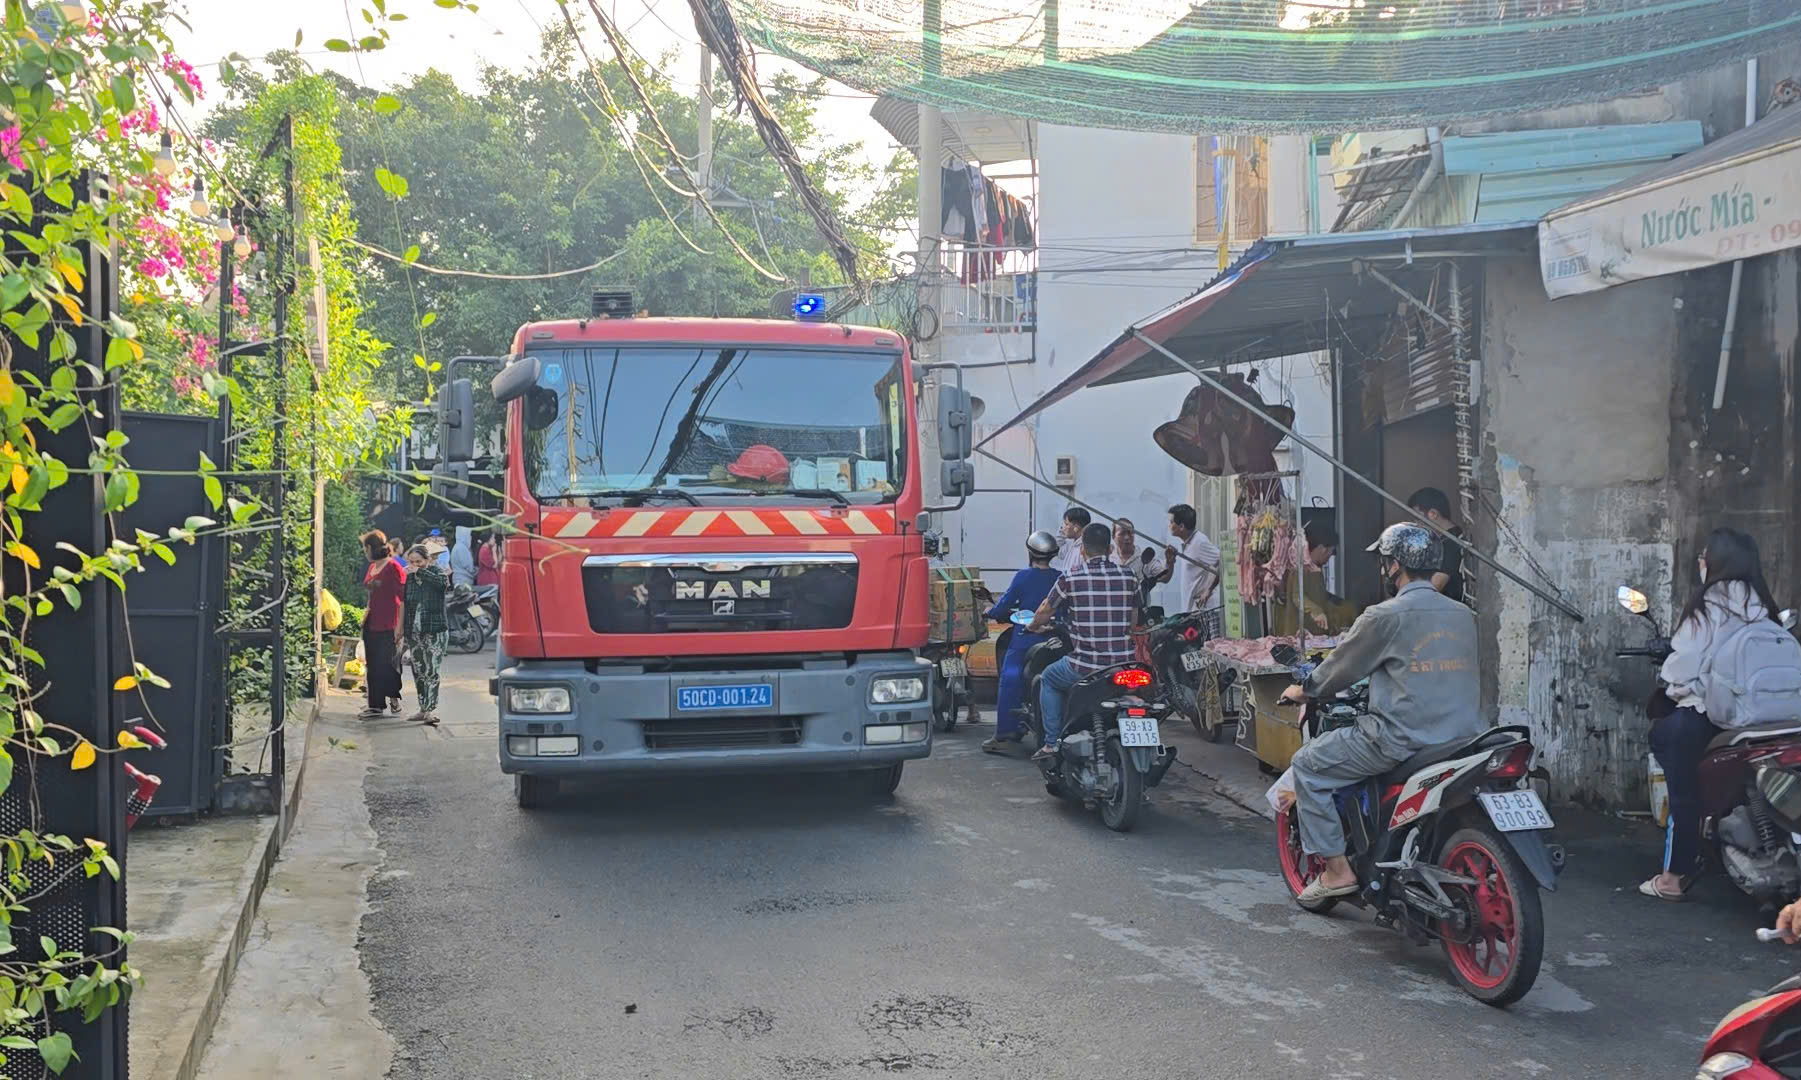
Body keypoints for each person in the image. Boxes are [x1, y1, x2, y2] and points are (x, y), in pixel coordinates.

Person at [1278, 522, 1483, 905]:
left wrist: (1303, 691)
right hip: (1466, 737)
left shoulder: (1384, 615)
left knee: (1307, 765)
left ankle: (1337, 871)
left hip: (1400, 738)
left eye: (1385, 562)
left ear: (1394, 566)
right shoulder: (1463, 615)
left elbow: (1340, 667)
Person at [1641, 527, 1786, 901]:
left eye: (1704, 556)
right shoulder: (1765, 607)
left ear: (1716, 563)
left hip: (1714, 716)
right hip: (1773, 719)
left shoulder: (1707, 607)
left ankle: (1673, 877)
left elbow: (1679, 671)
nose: (1700, 563)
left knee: (1681, 787)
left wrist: (1673, 686)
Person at [1028, 522, 1140, 761]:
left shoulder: (1070, 577)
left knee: (1048, 678)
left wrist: (1033, 626)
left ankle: (1051, 744)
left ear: (1082, 551)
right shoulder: (1129, 576)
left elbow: (1044, 612)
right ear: (1110, 549)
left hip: (1085, 667)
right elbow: (1133, 621)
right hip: (1125, 666)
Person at [981, 531, 1063, 754]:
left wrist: (990, 611)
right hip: (1058, 638)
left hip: (1027, 638)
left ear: (1030, 553)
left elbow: (1004, 605)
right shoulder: (1061, 576)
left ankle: (1004, 733)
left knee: (1010, 677)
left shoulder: (1023, 577)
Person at [358, 530, 406, 720]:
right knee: (373, 664)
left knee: (388, 664)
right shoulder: (372, 568)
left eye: (364, 547)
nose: (364, 551)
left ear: (370, 548)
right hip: (372, 620)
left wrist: (399, 627)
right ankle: (375, 705)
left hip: (389, 622)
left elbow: (402, 600)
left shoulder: (393, 567)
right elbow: (371, 594)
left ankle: (394, 694)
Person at [402, 544, 450, 725]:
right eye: (412, 562)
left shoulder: (437, 572)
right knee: (419, 670)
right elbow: (404, 603)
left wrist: (420, 572)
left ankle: (430, 709)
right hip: (414, 632)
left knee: (432, 670)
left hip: (435, 629)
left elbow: (443, 585)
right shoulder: (409, 578)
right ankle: (423, 708)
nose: (415, 565)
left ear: (428, 560)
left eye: (419, 562)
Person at [1161, 503, 1223, 639]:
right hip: (1193, 612)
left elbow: (1221, 561)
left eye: (1171, 522)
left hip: (1206, 611)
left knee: (1209, 650)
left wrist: (1209, 589)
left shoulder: (1199, 542)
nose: (1169, 525)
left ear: (1181, 526)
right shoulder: (1187, 543)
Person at [1271, 520, 1341, 637]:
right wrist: (1316, 611)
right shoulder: (1300, 566)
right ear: (1322, 548)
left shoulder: (1316, 568)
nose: (1329, 557)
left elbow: (1318, 595)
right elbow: (1297, 596)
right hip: (1300, 635)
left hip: (1317, 636)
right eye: (1330, 552)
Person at [1407, 487, 1467, 605]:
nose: (1416, 525)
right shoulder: (1450, 538)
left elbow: (1436, 585)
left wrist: (1404, 602)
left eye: (1417, 518)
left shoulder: (1451, 543)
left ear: (1433, 514)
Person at [1111, 518, 1166, 608]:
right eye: (1122, 534)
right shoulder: (1109, 558)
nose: (1127, 537)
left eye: (1130, 533)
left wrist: (1170, 563)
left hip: (1139, 613)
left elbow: (1164, 578)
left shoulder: (1144, 557)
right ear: (1113, 537)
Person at [1052, 507, 1091, 574]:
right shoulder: (1072, 543)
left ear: (1076, 527)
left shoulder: (1083, 547)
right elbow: (1059, 551)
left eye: (1066, 524)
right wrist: (1061, 532)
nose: (1064, 528)